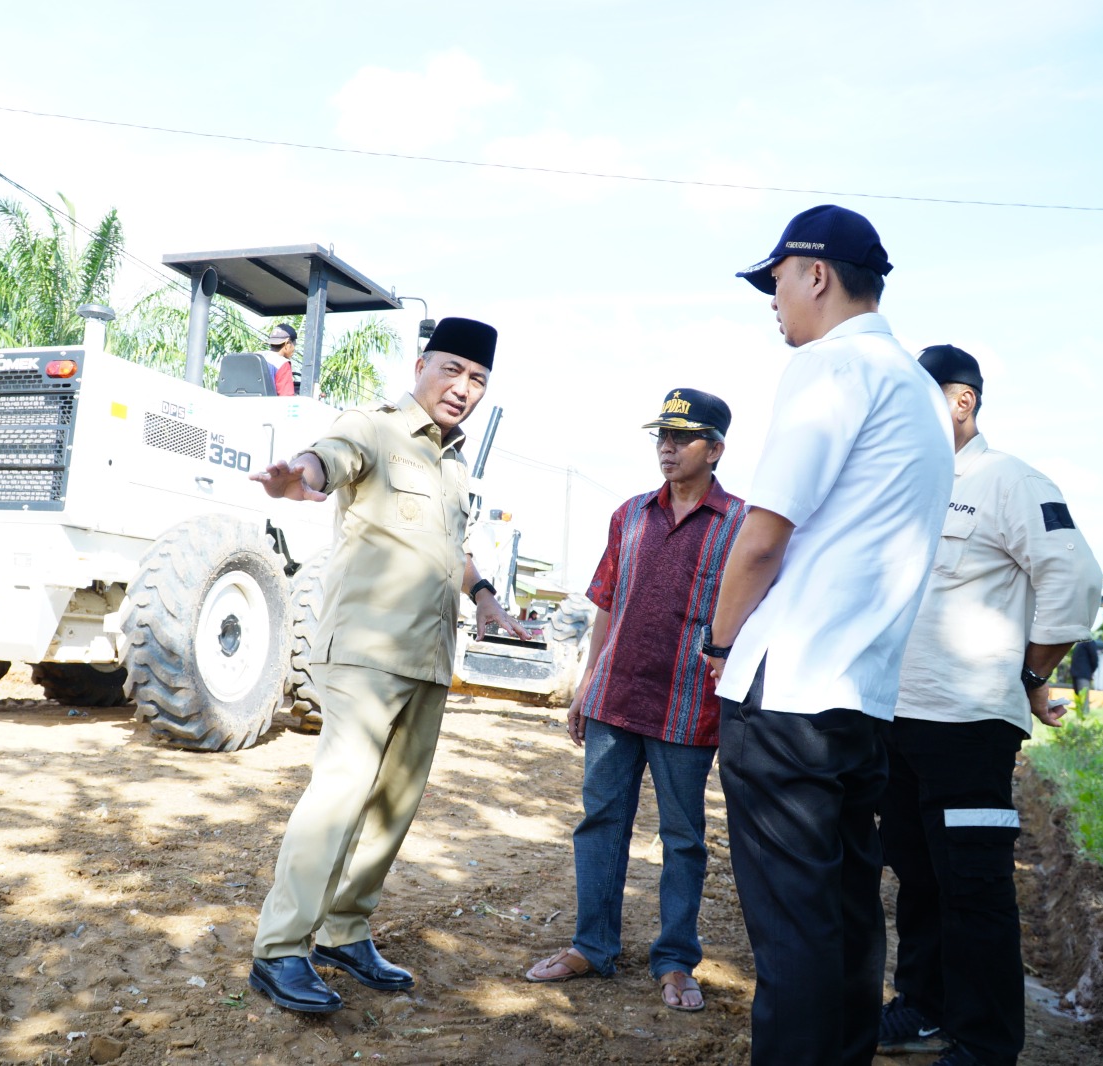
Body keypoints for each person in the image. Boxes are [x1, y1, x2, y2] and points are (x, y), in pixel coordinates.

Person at [702, 204, 955, 1066]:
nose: (772, 300)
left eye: (775, 281)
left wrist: (719, 641)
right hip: (859, 700)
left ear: (814, 273)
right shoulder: (919, 389)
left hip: (790, 691)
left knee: (795, 932)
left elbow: (765, 535)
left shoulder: (833, 368)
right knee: (847, 917)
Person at [246, 316, 529, 1014]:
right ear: (421, 366)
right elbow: (326, 457)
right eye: (452, 371)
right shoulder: (373, 428)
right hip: (366, 651)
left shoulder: (456, 464)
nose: (463, 389)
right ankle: (281, 948)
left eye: (478, 381)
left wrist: (487, 600)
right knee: (341, 793)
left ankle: (344, 929)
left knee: (393, 805)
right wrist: (298, 477)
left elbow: (449, 550)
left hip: (429, 657)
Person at [877, 344, 1102, 1066]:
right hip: (897, 718)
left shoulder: (1007, 480)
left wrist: (1032, 673)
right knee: (917, 878)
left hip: (968, 727)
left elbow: (1074, 578)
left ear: (962, 400)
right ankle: (923, 1007)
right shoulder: (909, 484)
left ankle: (984, 1042)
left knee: (973, 887)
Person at [525, 388, 746, 1012]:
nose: (668, 447)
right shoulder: (630, 514)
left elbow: (751, 618)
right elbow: (604, 604)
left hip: (687, 708)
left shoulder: (740, 525)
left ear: (716, 449)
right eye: (661, 437)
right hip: (614, 700)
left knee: (683, 838)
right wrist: (586, 683)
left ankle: (675, 961)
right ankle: (591, 946)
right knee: (600, 824)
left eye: (683, 438)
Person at [263, 323, 299, 395]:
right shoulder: (282, 363)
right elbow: (287, 397)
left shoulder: (255, 356)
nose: (294, 349)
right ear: (287, 343)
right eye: (294, 345)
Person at [1069, 637, 1102, 716]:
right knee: (1078, 699)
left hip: (1083, 675)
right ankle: (1079, 719)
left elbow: (1094, 658)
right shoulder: (1079, 642)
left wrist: (1091, 671)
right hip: (1076, 674)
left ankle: (1084, 719)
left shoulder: (1089, 641)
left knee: (1083, 699)